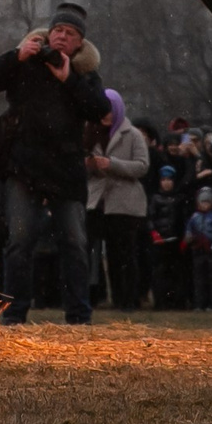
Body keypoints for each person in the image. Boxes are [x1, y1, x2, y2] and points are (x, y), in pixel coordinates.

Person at [0, 3, 112, 325]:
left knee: (75, 242)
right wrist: (15, 56)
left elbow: (101, 110)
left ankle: (79, 314)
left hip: (66, 170)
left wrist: (69, 79)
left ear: (80, 43)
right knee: (19, 241)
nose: (63, 37)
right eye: (58, 30)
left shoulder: (85, 73)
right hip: (25, 166)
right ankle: (14, 313)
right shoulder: (26, 62)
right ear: (48, 34)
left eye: (71, 33)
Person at [86, 88, 150, 313]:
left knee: (126, 253)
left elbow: (142, 166)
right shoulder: (90, 132)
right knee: (106, 255)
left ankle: (129, 299)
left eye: (109, 110)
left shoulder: (132, 135)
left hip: (125, 203)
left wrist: (111, 164)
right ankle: (110, 297)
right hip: (98, 201)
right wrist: (90, 165)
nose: (104, 115)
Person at [182, 185, 212, 310]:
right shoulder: (194, 218)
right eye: (202, 202)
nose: (205, 204)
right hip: (197, 251)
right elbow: (188, 233)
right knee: (199, 279)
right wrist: (186, 243)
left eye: (208, 202)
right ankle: (199, 304)